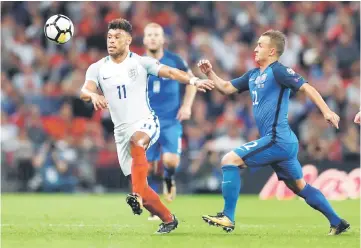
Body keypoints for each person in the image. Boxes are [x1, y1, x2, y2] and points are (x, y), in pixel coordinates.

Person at [197, 30, 350, 235]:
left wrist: (327, 111)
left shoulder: (279, 71)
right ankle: (337, 222)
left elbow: (307, 88)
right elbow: (225, 88)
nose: (255, 48)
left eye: (260, 45)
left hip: (277, 139)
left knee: (229, 160)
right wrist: (209, 73)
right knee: (299, 187)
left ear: (271, 51)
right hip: (280, 142)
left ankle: (227, 216)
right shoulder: (252, 75)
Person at [80, 18, 213, 234]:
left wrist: (193, 81)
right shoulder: (97, 68)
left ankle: (138, 196)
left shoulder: (140, 63)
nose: (112, 41)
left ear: (129, 41)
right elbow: (84, 91)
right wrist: (93, 95)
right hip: (121, 131)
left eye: (117, 37)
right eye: (109, 37)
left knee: (137, 142)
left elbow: (170, 72)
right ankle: (168, 219)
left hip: (146, 122)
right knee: (141, 187)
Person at [143, 23, 197, 212]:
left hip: (170, 120)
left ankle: (169, 177)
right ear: (144, 39)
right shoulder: (136, 63)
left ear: (163, 39)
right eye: (149, 35)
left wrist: (187, 106)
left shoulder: (175, 60)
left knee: (170, 160)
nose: (153, 38)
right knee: (147, 167)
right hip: (145, 123)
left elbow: (191, 83)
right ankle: (154, 206)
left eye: (156, 35)